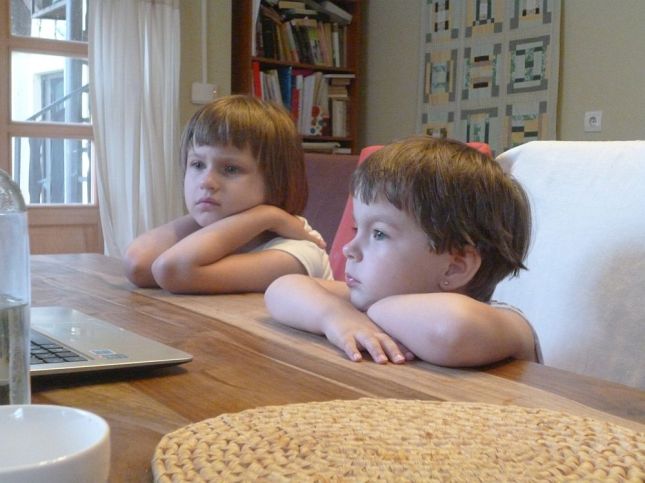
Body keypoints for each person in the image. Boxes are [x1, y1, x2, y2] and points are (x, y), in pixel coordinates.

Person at [265, 135, 541, 367]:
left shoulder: (505, 324)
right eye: (356, 229)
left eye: (379, 234)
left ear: (454, 267)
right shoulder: (375, 294)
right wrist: (335, 317)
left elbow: (451, 329)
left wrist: (374, 310)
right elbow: (282, 288)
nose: (349, 249)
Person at [124, 95, 332, 293]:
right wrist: (270, 217)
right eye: (197, 164)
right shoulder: (217, 227)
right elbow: (138, 264)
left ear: (277, 180)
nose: (206, 182)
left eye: (230, 169)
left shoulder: (297, 253)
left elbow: (173, 270)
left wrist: (266, 215)